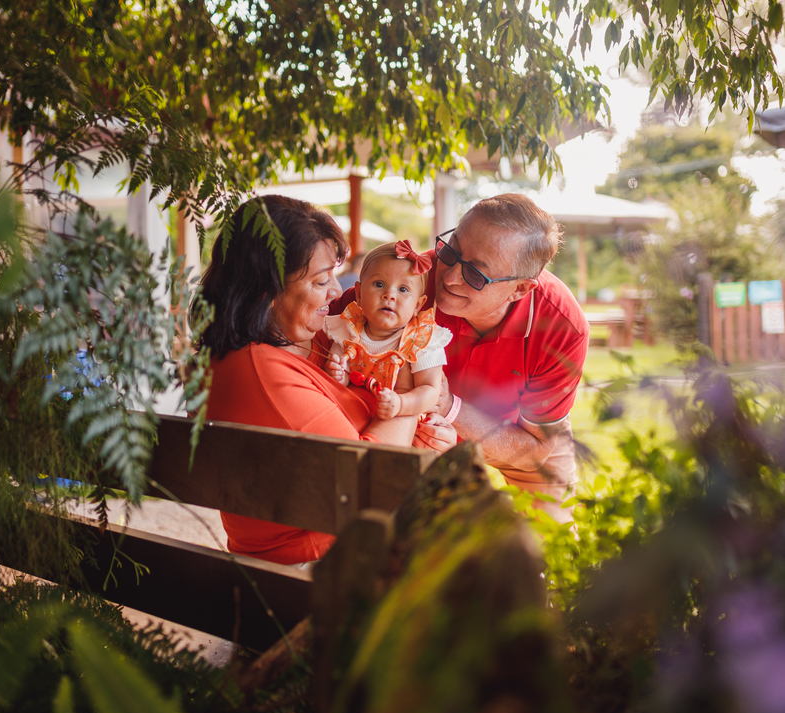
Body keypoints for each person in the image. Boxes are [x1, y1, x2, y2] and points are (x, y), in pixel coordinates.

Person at [195, 195, 455, 566]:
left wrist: (425, 427)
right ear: (266, 290)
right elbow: (366, 476)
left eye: (335, 273)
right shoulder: (259, 371)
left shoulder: (309, 338)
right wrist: (408, 395)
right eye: (321, 281)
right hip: (322, 560)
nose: (336, 291)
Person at [332, 193, 589, 509]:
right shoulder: (409, 278)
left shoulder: (562, 327)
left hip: (519, 430)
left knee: (550, 540)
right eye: (451, 251)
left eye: (475, 274)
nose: (449, 277)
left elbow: (533, 452)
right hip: (418, 419)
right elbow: (316, 318)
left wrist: (451, 409)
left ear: (520, 288)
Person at [322, 241, 452, 420]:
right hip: (356, 412)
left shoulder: (421, 340)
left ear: (418, 305)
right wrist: (338, 374)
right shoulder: (348, 329)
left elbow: (430, 390)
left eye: (403, 289)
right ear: (358, 294)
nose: (389, 294)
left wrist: (401, 404)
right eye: (379, 284)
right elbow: (343, 374)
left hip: (403, 420)